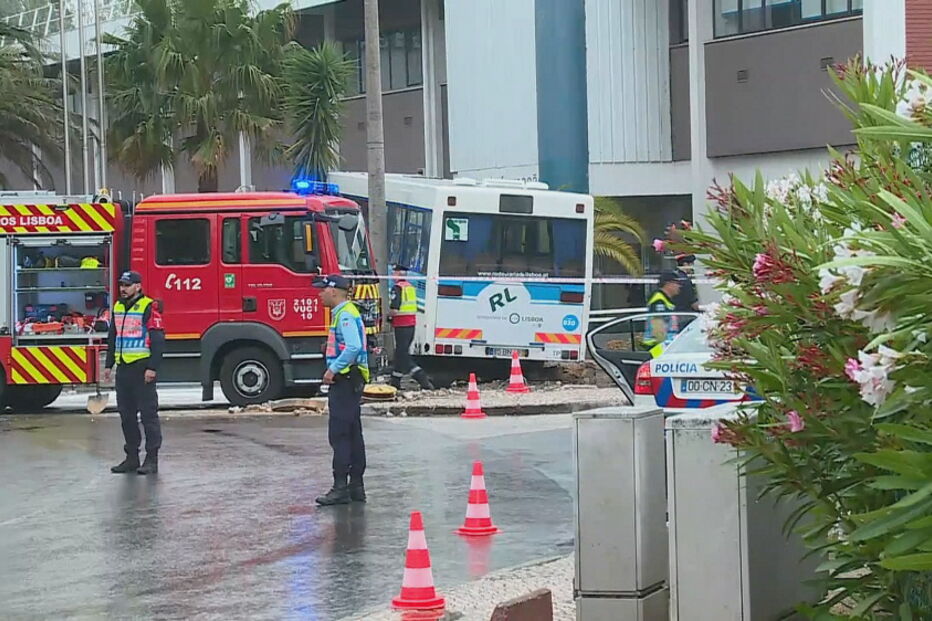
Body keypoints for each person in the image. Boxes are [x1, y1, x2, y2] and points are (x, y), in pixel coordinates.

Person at [314, 274, 369, 506]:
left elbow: (354, 346)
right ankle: (356, 486)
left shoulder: (344, 314)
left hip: (345, 381)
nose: (320, 294)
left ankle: (341, 487)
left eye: (323, 290)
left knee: (340, 435)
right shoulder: (346, 313)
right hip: (351, 381)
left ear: (334, 291)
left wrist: (332, 369)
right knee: (353, 433)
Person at [105, 270, 165, 475]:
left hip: (141, 369)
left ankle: (151, 459)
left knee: (148, 416)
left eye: (127, 285)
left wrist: (152, 367)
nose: (123, 289)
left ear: (138, 286)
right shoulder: (118, 307)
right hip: (124, 369)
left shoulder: (148, 307)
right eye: (121, 285)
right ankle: (131, 458)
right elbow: (113, 336)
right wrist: (108, 364)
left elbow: (157, 340)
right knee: (126, 416)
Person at [388, 265, 433, 390]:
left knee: (402, 355)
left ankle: (421, 377)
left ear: (399, 274)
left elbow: (395, 309)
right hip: (411, 325)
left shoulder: (397, 288)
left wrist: (388, 316)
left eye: (394, 272)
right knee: (400, 354)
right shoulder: (410, 287)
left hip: (401, 325)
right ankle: (395, 381)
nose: (392, 275)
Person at [642, 271, 684, 358]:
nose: (679, 286)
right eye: (677, 283)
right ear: (668, 283)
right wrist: (668, 348)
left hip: (666, 347)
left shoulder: (666, 299)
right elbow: (658, 330)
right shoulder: (659, 301)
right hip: (658, 349)